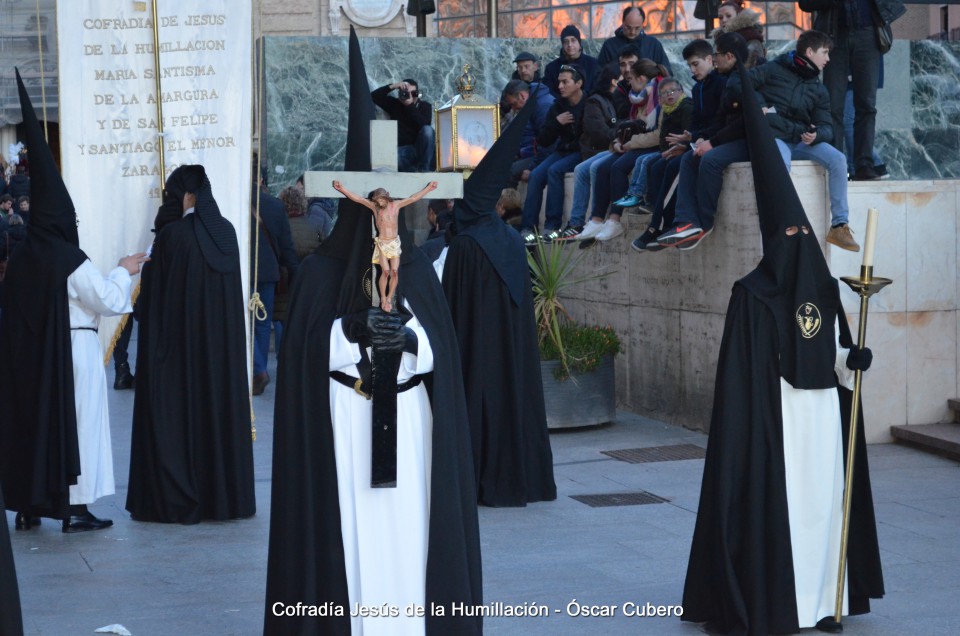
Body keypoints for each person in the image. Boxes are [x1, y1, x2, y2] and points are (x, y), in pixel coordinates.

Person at [264, 29, 482, 635]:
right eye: (372, 202)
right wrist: (349, 333)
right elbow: (306, 355)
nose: (382, 213)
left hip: (413, 430)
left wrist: (411, 343)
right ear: (353, 199)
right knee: (346, 540)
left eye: (389, 204)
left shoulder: (414, 268)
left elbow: (442, 354)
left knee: (413, 535)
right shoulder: (316, 277)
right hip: (343, 424)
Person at [682, 54, 884, 636]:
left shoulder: (822, 285)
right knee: (787, 513)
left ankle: (825, 601)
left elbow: (839, 351)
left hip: (821, 423)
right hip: (776, 428)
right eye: (788, 233)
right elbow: (741, 382)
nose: (797, 239)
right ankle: (779, 600)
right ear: (774, 240)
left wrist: (855, 357)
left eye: (804, 232)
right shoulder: (752, 296)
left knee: (824, 510)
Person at [0, 70, 146, 535]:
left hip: (32, 358)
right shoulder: (67, 256)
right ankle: (76, 507)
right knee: (80, 428)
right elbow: (103, 299)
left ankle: (28, 504)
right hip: (74, 351)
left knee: (35, 428)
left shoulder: (24, 256)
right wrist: (125, 269)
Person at [442, 95, 557, 507]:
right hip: (512, 349)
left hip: (476, 349)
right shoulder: (509, 238)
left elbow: (451, 309)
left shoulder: (466, 246)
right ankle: (523, 479)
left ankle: (483, 480)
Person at [126, 164, 255, 525]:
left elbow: (151, 303)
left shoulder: (172, 237)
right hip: (221, 354)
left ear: (188, 196)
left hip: (180, 352)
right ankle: (224, 498)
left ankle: (181, 497)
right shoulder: (226, 233)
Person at [799, 0, 906, 181]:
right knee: (833, 105)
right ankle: (835, 163)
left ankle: (864, 165)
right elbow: (805, 4)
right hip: (834, 36)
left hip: (868, 32)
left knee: (866, 105)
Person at [332, 180, 438, 313]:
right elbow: (358, 199)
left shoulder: (396, 205)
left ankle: (389, 298)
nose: (379, 202)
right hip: (382, 243)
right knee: (386, 271)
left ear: (386, 198)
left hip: (394, 243)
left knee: (394, 272)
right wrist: (342, 189)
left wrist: (428, 188)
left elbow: (414, 198)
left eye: (381, 200)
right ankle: (382, 297)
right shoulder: (374, 207)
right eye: (377, 200)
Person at [519, 65, 586, 245]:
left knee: (555, 171)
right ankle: (527, 228)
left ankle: (552, 227)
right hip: (563, 151)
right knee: (535, 175)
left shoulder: (589, 103)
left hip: (583, 151)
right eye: (559, 82)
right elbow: (543, 139)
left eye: (565, 82)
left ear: (578, 83)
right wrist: (557, 123)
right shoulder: (558, 106)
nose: (561, 86)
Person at [251, 168, 300, 395]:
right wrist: (296, 272)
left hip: (241, 272)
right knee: (262, 323)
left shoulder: (230, 201)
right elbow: (286, 245)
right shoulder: (274, 205)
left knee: (243, 321)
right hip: (268, 273)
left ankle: (255, 369)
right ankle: (258, 371)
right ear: (261, 180)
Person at [371, 78, 436, 172]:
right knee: (392, 158)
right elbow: (374, 96)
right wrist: (393, 86)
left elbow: (424, 126)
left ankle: (424, 171)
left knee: (428, 130)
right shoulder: (395, 104)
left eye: (413, 93)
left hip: (420, 148)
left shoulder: (425, 106)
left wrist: (410, 106)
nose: (411, 96)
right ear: (400, 93)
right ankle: (413, 171)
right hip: (403, 150)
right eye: (406, 93)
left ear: (417, 93)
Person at [501, 79, 556, 188]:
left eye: (514, 104)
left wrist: (532, 167)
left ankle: (509, 204)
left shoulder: (542, 107)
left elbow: (547, 143)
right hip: (533, 152)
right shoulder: (531, 104)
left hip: (549, 154)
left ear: (522, 96)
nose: (514, 109)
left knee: (511, 171)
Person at [597, 7, 672, 75]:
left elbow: (667, 72)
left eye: (637, 28)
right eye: (628, 27)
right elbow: (599, 73)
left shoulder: (653, 44)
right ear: (622, 22)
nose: (632, 32)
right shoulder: (609, 45)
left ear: (643, 24)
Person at [543, 25, 600, 98]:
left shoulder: (593, 64)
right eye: (566, 42)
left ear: (579, 43)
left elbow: (597, 89)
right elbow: (549, 93)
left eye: (573, 40)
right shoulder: (552, 68)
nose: (570, 45)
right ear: (562, 45)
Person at [712, 0, 766, 69]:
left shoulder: (752, 38)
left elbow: (751, 72)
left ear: (738, 16)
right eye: (720, 17)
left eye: (728, 16)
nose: (724, 20)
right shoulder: (720, 40)